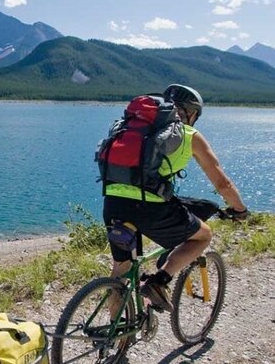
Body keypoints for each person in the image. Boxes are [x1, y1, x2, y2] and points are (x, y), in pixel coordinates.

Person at [102, 84, 249, 312]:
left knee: (122, 268)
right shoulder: (189, 135)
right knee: (203, 236)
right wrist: (240, 209)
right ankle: (159, 282)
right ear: (192, 114)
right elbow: (223, 184)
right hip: (149, 208)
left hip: (113, 202)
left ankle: (116, 329)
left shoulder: (132, 128)